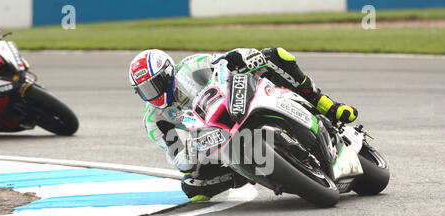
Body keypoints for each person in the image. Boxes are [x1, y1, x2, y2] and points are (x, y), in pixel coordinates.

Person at [129, 48, 358, 201]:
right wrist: (192, 153)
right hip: (215, 139)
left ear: (168, 72)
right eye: (145, 90)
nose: (154, 94)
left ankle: (324, 104)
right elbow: (177, 156)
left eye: (155, 84)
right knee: (192, 186)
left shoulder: (191, 65)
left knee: (275, 55)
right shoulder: (154, 120)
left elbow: (225, 61)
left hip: (236, 101)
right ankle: (244, 173)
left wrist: (242, 58)